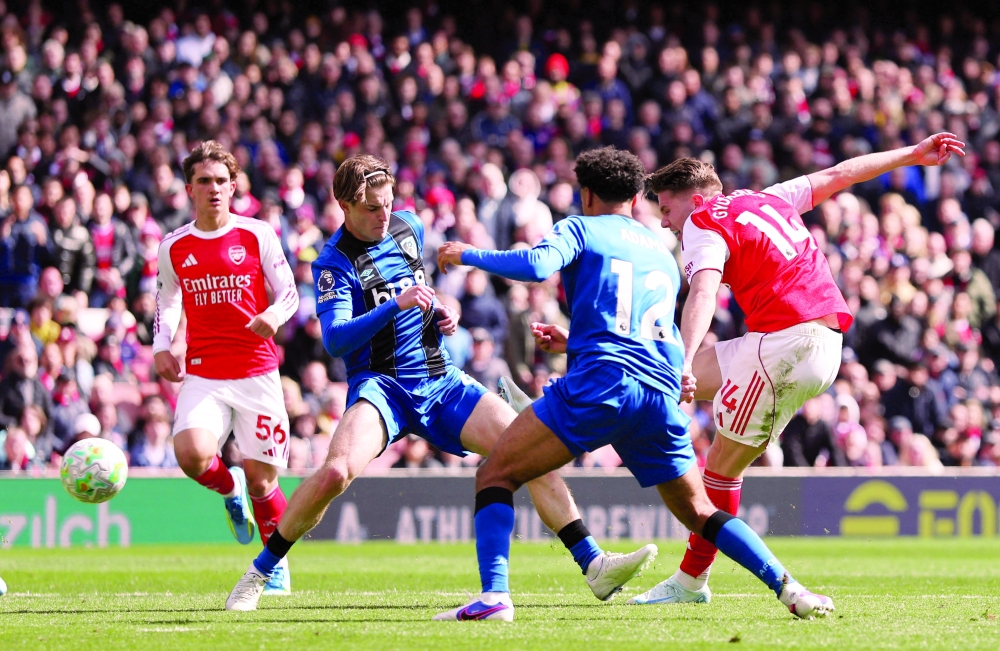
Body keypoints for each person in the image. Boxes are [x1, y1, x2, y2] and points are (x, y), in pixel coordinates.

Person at [225, 154, 653, 611]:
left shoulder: (410, 227)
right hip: (382, 387)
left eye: (388, 204)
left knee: (526, 448)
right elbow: (334, 339)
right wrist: (398, 305)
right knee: (336, 471)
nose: (384, 215)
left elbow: (419, 291)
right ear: (345, 206)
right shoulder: (333, 262)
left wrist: (437, 313)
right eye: (372, 208)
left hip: (440, 378)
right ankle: (261, 571)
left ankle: (593, 564)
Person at [432, 146, 831, 621]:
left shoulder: (580, 227)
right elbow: (642, 329)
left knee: (496, 473)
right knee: (701, 512)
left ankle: (494, 598)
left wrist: (467, 254)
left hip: (601, 384)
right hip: (657, 391)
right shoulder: (661, 251)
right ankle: (790, 588)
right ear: (637, 196)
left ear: (586, 192)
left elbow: (538, 267)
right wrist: (577, 339)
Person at [642, 131, 964, 605]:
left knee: (719, 468)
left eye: (667, 210)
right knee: (661, 375)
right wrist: (913, 155)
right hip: (809, 340)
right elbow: (839, 173)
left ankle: (693, 581)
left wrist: (689, 358)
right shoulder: (764, 199)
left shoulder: (702, 223)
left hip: (786, 346)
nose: (666, 223)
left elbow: (704, 292)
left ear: (693, 200)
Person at [153, 140, 299, 595]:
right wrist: (162, 344)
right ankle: (227, 487)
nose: (214, 188)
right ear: (188, 189)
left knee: (264, 480)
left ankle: (273, 565)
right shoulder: (174, 246)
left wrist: (272, 317)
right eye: (204, 181)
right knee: (191, 456)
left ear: (233, 186)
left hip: (257, 373)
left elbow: (290, 292)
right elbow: (167, 298)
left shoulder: (257, 234)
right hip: (204, 373)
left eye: (221, 181)